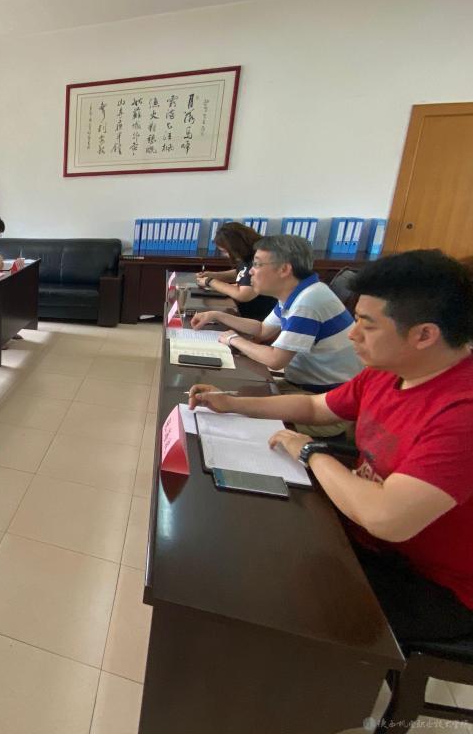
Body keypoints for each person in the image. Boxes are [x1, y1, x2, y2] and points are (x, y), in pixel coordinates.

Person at [188, 249, 473, 645]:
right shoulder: (390, 371)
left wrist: (310, 452)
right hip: (364, 533)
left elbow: (386, 517)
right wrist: (232, 403)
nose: (352, 334)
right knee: (243, 536)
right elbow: (315, 407)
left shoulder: (461, 413)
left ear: (424, 335)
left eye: (367, 325)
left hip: (431, 582)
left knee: (262, 598)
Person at [190, 234, 362, 395]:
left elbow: (275, 359)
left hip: (325, 395)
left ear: (284, 269)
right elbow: (262, 329)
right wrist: (216, 315)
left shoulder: (307, 303)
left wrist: (233, 339)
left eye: (257, 265)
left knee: (223, 399)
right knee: (224, 394)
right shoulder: (300, 292)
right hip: (306, 384)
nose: (250, 271)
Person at [195, 222, 278, 321]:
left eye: (225, 251)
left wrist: (210, 281)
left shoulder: (259, 258)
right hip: (246, 313)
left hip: (260, 317)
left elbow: (243, 294)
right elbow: (241, 274)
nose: (225, 255)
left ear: (236, 247)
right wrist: (214, 275)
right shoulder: (247, 254)